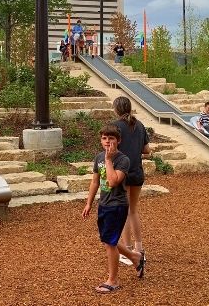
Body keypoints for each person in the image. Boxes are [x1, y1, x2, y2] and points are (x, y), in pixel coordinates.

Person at [82, 124, 146, 294]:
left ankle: (113, 280)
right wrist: (89, 203)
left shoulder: (123, 160)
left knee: (110, 243)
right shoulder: (98, 158)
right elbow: (95, 181)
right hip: (104, 203)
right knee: (107, 240)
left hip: (117, 205)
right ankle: (135, 256)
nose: (107, 142)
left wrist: (109, 160)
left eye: (111, 138)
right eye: (104, 138)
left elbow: (112, 181)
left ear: (119, 140)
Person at [112, 96, 150, 265]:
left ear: (116, 109)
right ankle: (139, 249)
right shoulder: (140, 125)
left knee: (124, 211)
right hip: (137, 173)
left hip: (122, 173)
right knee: (133, 211)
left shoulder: (115, 127)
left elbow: (110, 150)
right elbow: (146, 150)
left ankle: (126, 250)